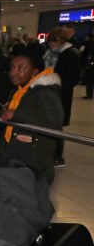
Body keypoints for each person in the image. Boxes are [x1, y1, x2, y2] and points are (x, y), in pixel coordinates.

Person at [0, 49, 63, 184]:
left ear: (34, 71)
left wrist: (16, 114)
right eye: (12, 68)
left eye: (21, 68)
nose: (14, 72)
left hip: (33, 163)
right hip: (16, 156)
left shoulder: (46, 93)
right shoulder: (20, 90)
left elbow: (53, 126)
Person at [44, 27, 81, 168]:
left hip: (61, 94)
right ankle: (47, 152)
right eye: (50, 39)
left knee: (57, 124)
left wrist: (57, 84)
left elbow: (74, 77)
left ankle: (57, 156)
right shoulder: (49, 53)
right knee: (47, 122)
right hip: (46, 92)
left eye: (55, 39)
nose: (51, 43)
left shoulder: (70, 53)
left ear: (62, 40)